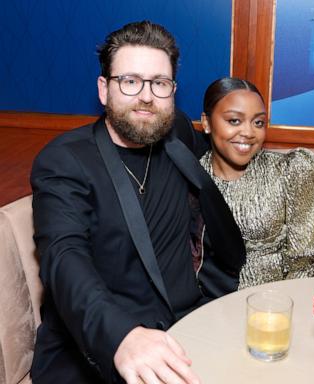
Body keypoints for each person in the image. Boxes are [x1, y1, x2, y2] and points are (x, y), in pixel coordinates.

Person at [30, 22, 245, 384]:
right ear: (104, 89)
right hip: (100, 348)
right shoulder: (65, 161)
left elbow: (229, 157)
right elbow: (63, 258)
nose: (146, 96)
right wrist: (122, 336)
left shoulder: (175, 132)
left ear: (172, 91)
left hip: (189, 329)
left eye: (159, 83)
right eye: (130, 81)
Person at [199, 77, 314, 290]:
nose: (248, 132)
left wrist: (281, 305)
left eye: (258, 122)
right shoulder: (190, 176)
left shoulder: (291, 171)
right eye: (234, 120)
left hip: (279, 303)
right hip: (209, 304)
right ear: (207, 122)